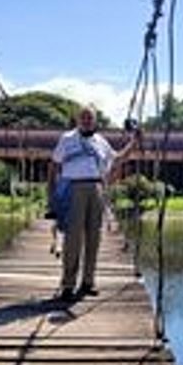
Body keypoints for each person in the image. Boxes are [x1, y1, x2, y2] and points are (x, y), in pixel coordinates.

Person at [48, 105, 139, 302]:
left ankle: (88, 282)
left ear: (95, 121)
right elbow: (54, 164)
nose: (87, 120)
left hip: (96, 189)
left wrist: (134, 143)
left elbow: (117, 159)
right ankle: (68, 284)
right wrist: (52, 194)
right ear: (78, 120)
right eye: (84, 117)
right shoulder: (67, 139)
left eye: (90, 118)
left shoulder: (100, 141)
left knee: (93, 238)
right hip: (74, 189)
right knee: (72, 239)